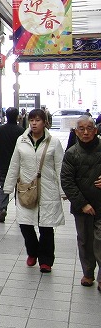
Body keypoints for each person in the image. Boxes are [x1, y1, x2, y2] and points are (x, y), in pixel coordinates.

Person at [3, 108, 65, 273]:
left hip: (47, 188)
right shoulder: (21, 140)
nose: (34, 123)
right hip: (26, 188)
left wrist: (63, 190)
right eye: (31, 120)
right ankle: (32, 251)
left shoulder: (54, 142)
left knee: (46, 225)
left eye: (37, 120)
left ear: (45, 122)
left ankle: (46, 260)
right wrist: (8, 187)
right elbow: (15, 164)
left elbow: (60, 167)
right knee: (25, 224)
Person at [60, 116, 101, 290]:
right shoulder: (71, 154)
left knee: (100, 241)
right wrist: (82, 203)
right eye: (82, 129)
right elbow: (67, 181)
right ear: (76, 132)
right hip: (82, 206)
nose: (86, 132)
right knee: (85, 240)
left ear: (96, 130)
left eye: (89, 128)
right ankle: (88, 273)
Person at [0, 107, 24, 223]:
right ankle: (20, 210)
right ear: (17, 117)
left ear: (6, 116)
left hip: (3, 164)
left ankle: (2, 208)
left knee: (4, 186)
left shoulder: (0, 130)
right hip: (19, 164)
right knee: (19, 187)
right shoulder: (21, 131)